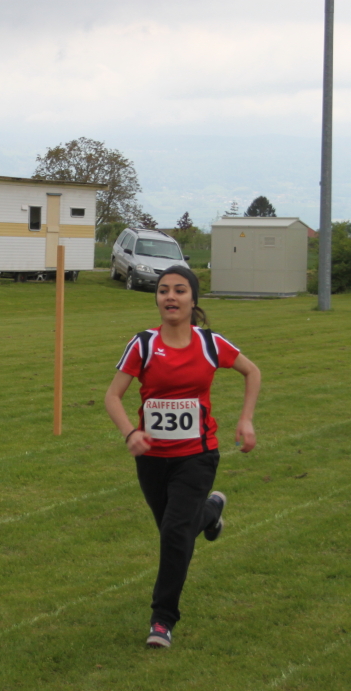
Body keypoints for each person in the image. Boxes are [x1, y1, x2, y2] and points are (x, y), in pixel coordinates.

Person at [104, 266, 261, 649]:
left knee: (175, 535)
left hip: (197, 455)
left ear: (193, 299)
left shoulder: (210, 343)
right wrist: (131, 432)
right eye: (163, 291)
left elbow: (252, 372)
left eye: (179, 290)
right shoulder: (143, 344)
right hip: (152, 458)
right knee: (174, 530)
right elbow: (112, 396)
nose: (170, 297)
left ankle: (162, 620)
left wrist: (246, 419)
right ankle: (210, 512)